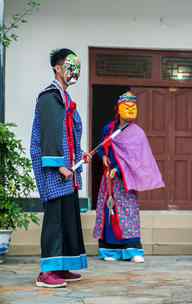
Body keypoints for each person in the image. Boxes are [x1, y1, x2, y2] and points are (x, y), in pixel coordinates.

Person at [30, 48, 89, 288]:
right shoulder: (49, 96)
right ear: (57, 67)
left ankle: (62, 265)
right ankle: (46, 273)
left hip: (67, 167)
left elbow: (69, 133)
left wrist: (79, 154)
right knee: (55, 217)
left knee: (68, 216)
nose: (74, 70)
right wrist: (59, 165)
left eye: (76, 65)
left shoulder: (66, 99)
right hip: (53, 167)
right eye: (69, 64)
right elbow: (50, 135)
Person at [93, 92, 165, 263]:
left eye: (133, 106)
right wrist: (103, 156)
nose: (130, 109)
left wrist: (118, 169)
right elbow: (102, 146)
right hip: (108, 180)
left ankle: (132, 251)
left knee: (128, 213)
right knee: (110, 212)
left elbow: (137, 159)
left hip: (126, 180)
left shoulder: (137, 133)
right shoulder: (109, 129)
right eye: (127, 106)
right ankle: (110, 251)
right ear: (119, 109)